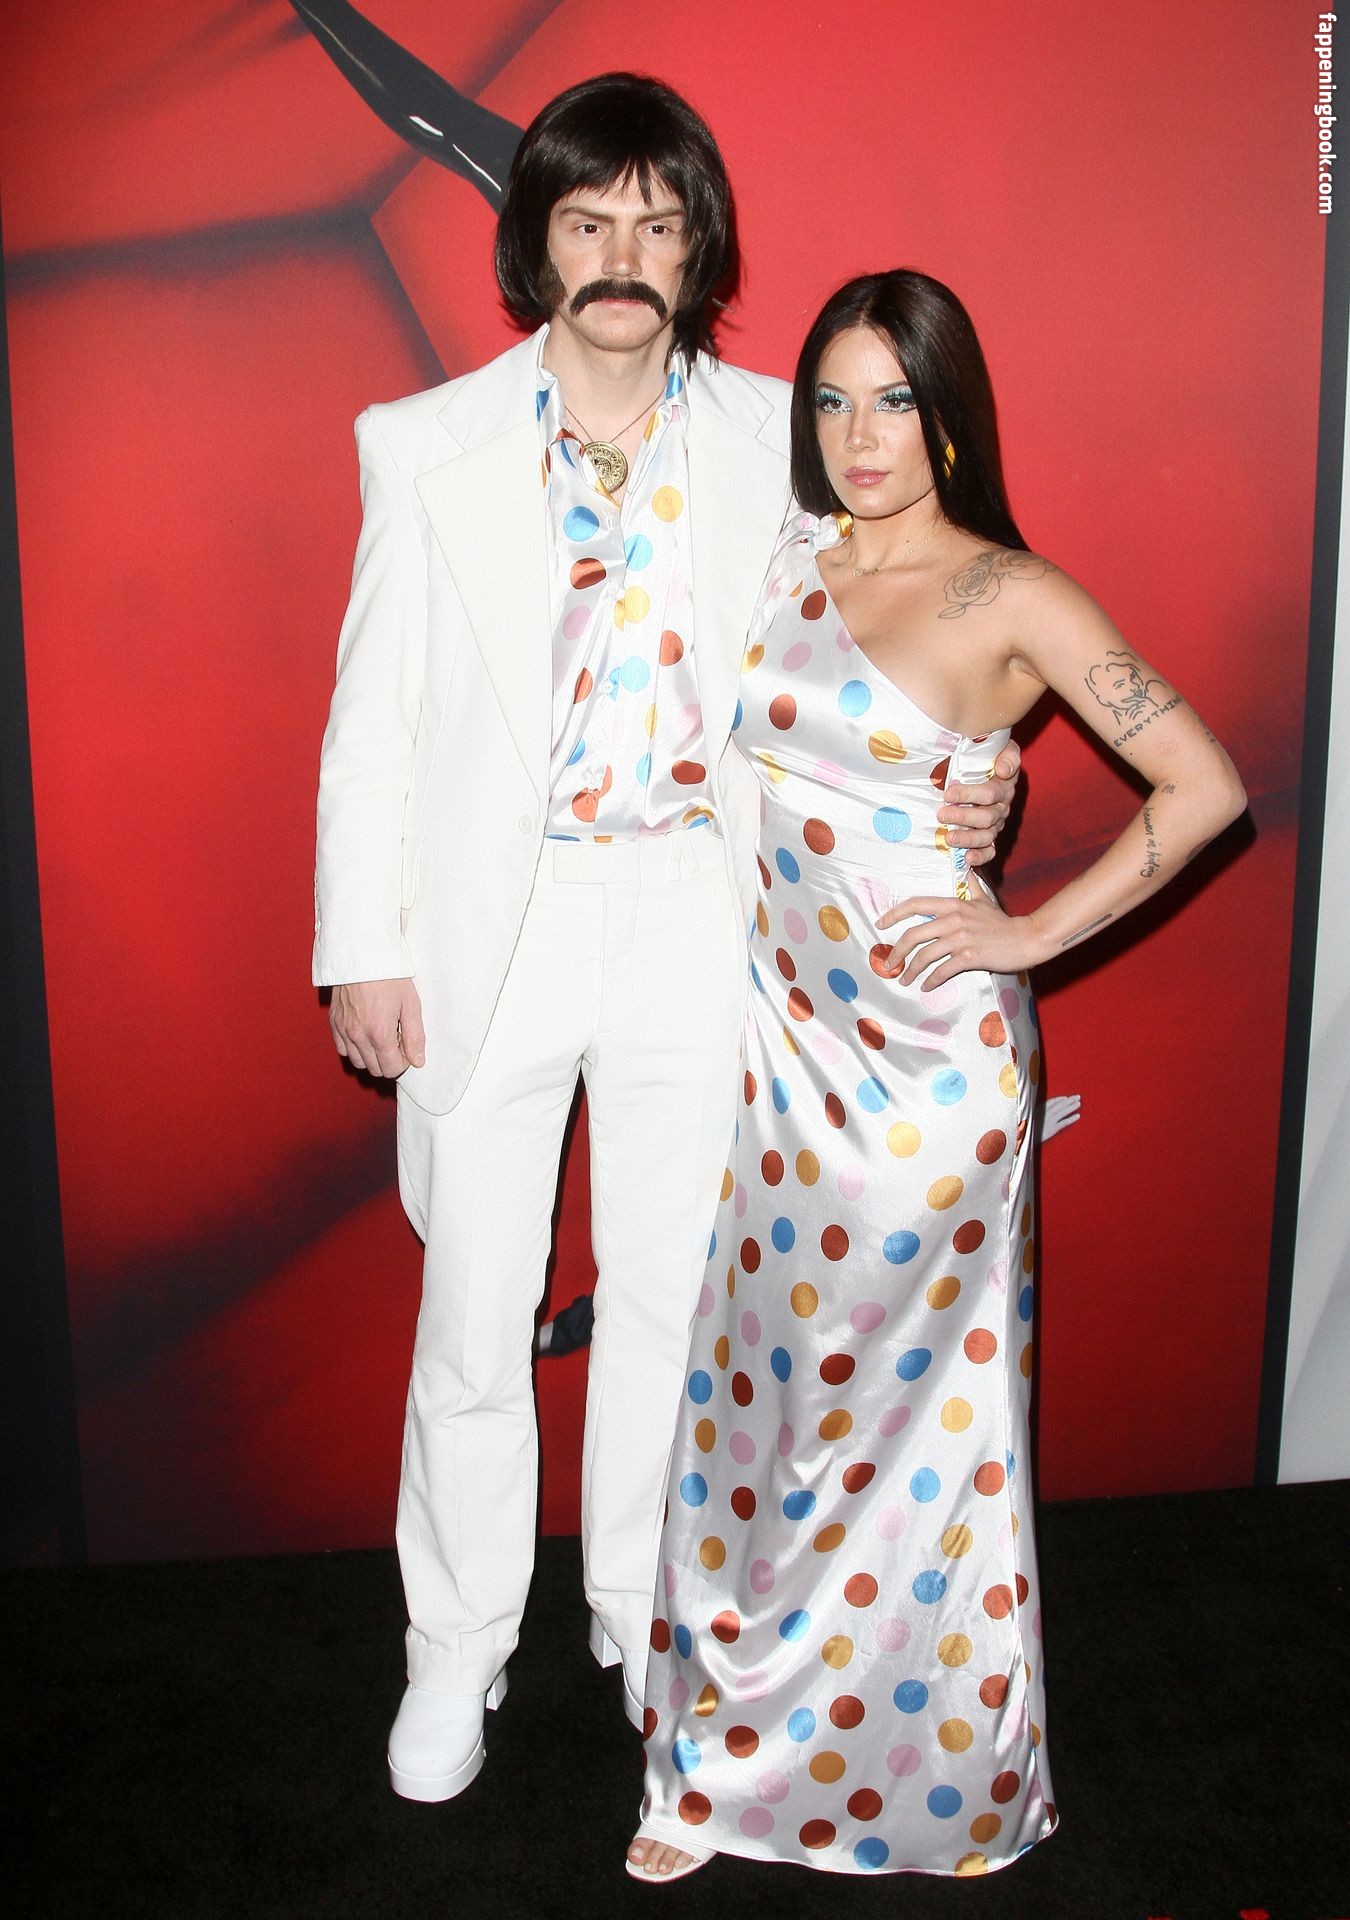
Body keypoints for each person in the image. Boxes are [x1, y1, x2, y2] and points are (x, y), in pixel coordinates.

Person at [313, 84, 1020, 1805]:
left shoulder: (787, 438)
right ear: (534, 244)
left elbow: (900, 622)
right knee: (471, 1319)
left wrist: (976, 760)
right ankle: (454, 1648)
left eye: (655, 224)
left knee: (668, 1303)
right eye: (587, 223)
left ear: (699, 250)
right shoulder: (419, 442)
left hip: (701, 919)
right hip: (494, 926)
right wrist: (361, 947)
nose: (620, 257)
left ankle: (639, 1612)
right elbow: (371, 723)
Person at [627, 269, 1245, 1880]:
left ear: (947, 414)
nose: (859, 436)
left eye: (892, 400)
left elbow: (1201, 787)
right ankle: (720, 1766)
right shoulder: (786, 552)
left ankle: (938, 1782)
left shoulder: (1008, 595)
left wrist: (1027, 931)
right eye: (831, 401)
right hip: (779, 1055)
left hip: (928, 1078)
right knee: (765, 1404)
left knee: (910, 1431)